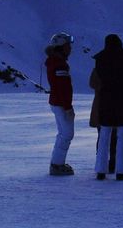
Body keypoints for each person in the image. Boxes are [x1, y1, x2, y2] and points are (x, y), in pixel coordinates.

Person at [93, 33, 123, 180]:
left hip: (106, 98)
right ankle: (121, 171)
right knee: (122, 135)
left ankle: (101, 170)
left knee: (104, 134)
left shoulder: (100, 58)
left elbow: (99, 75)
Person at [46, 32, 75, 176]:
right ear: (61, 47)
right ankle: (57, 165)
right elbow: (62, 88)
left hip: (56, 101)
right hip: (60, 103)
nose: (70, 48)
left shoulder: (55, 62)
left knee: (63, 133)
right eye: (68, 46)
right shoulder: (59, 64)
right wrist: (68, 107)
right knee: (67, 134)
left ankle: (56, 162)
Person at [88, 67, 117, 174]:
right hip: (113, 106)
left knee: (102, 135)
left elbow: (92, 83)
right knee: (113, 135)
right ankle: (111, 161)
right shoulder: (118, 66)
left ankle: (101, 162)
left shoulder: (99, 66)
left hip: (100, 105)